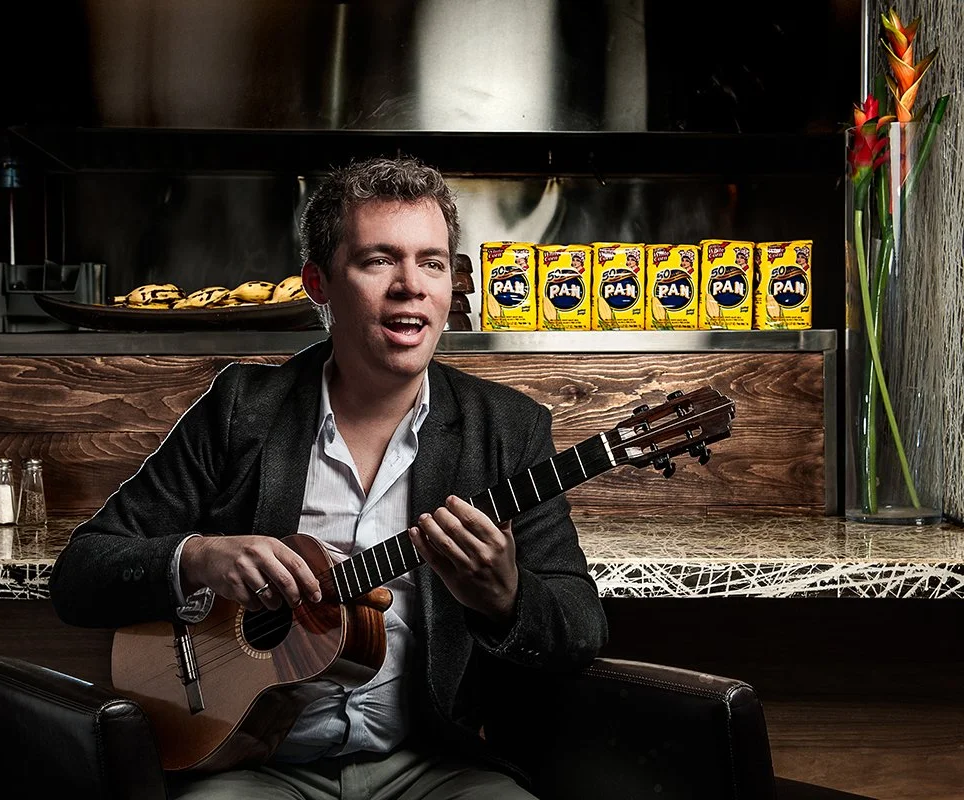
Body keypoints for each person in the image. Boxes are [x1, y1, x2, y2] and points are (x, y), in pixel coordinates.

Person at [48, 156, 608, 799]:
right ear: (318, 281)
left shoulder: (507, 429)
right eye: (378, 260)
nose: (411, 286)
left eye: (432, 262)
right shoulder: (243, 410)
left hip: (431, 763)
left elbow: (579, 628)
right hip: (254, 763)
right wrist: (198, 558)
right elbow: (81, 573)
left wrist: (504, 597)